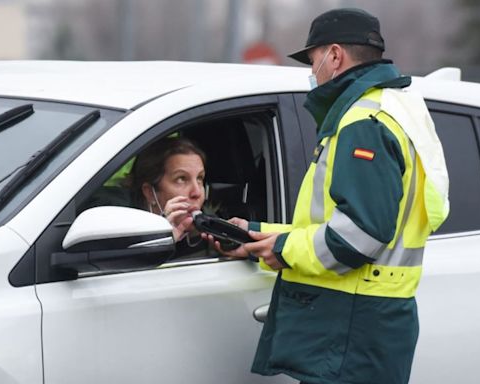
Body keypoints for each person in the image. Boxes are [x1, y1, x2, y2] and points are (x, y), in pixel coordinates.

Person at [209, 8, 450, 384]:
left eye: (312, 60)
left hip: (352, 328)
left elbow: (359, 235)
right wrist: (258, 233)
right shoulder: (393, 108)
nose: (312, 72)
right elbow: (331, 224)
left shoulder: (363, 124)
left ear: (334, 56)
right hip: (367, 325)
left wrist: (284, 249)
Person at [130, 136, 208, 251]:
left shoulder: (211, 236)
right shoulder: (123, 237)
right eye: (181, 179)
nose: (196, 193)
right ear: (150, 193)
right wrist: (160, 241)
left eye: (199, 178)